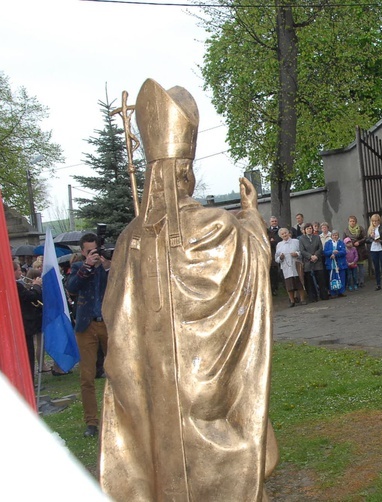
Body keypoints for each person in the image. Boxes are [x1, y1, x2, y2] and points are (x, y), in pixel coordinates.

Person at [99, 80, 276, 500]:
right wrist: (250, 213)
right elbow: (254, 256)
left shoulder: (129, 239)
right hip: (203, 388)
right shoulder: (216, 225)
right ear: (185, 171)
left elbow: (116, 323)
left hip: (155, 389)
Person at [65, 232, 110, 438]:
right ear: (83, 252)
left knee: (116, 372)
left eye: (96, 250)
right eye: (90, 251)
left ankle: (118, 417)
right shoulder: (78, 267)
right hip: (86, 325)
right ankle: (91, 422)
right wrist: (88, 266)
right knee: (87, 377)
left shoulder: (104, 268)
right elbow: (72, 287)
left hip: (108, 325)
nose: (94, 254)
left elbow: (116, 285)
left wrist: (104, 266)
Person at [15, 261, 43, 380]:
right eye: (19, 270)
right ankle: (29, 380)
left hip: (24, 323)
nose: (21, 272)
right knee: (28, 354)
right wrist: (36, 285)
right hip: (24, 324)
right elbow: (31, 297)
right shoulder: (17, 285)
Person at [298, 222, 329, 302]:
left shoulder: (317, 237)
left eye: (310, 228)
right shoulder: (301, 239)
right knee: (310, 281)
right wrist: (310, 256)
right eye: (307, 228)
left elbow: (320, 248)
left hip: (317, 261)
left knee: (321, 279)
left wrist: (316, 255)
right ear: (305, 230)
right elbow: (302, 250)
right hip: (308, 262)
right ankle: (313, 297)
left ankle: (324, 295)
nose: (309, 230)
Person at [276, 227, 307, 307]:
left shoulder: (296, 241)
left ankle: (302, 299)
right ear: (280, 236)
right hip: (286, 267)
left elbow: (301, 251)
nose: (284, 235)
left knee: (299, 283)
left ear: (288, 233)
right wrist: (281, 258)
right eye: (282, 234)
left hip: (296, 265)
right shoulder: (279, 245)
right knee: (289, 285)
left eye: (285, 233)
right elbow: (276, 258)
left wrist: (297, 254)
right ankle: (292, 301)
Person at [366, 213, 382, 291]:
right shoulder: (370, 229)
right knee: (376, 267)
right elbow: (367, 240)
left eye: (376, 221)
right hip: (373, 250)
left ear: (379, 221)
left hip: (381, 249)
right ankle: (378, 284)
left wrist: (381, 241)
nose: (375, 223)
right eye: (373, 221)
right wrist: (372, 238)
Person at [343, 215, 367, 288]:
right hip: (350, 251)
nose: (352, 222)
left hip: (360, 250)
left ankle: (361, 281)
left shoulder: (360, 228)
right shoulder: (346, 230)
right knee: (353, 268)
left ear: (356, 222)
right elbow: (344, 239)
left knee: (361, 267)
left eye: (353, 221)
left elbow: (365, 237)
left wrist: (359, 242)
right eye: (350, 221)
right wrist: (349, 245)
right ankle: (354, 282)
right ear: (348, 222)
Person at [324, 230, 347, 298]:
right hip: (331, 264)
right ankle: (333, 293)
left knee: (341, 278)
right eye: (333, 235)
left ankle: (341, 292)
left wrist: (337, 253)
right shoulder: (327, 243)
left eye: (336, 235)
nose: (335, 236)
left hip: (340, 264)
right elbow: (325, 252)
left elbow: (343, 251)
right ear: (331, 236)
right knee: (332, 278)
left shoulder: (341, 243)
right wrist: (332, 252)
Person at [268, 216, 281, 295]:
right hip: (272, 253)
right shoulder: (268, 231)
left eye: (275, 221)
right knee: (274, 272)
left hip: (280, 251)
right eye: (272, 221)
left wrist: (274, 242)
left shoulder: (281, 230)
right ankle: (274, 288)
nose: (274, 222)